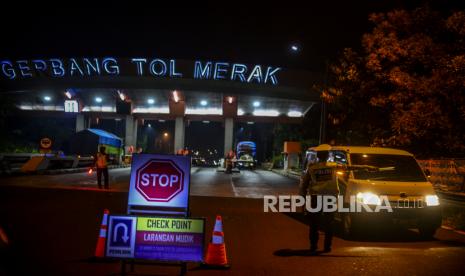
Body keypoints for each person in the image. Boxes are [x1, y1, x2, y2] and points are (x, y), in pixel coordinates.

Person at [299, 146, 339, 254]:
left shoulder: (312, 168)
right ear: (327, 157)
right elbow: (351, 168)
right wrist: (368, 167)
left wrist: (302, 202)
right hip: (330, 198)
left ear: (317, 157)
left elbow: (304, 186)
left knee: (314, 223)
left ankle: (313, 245)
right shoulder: (334, 167)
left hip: (316, 198)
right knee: (329, 223)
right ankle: (327, 246)